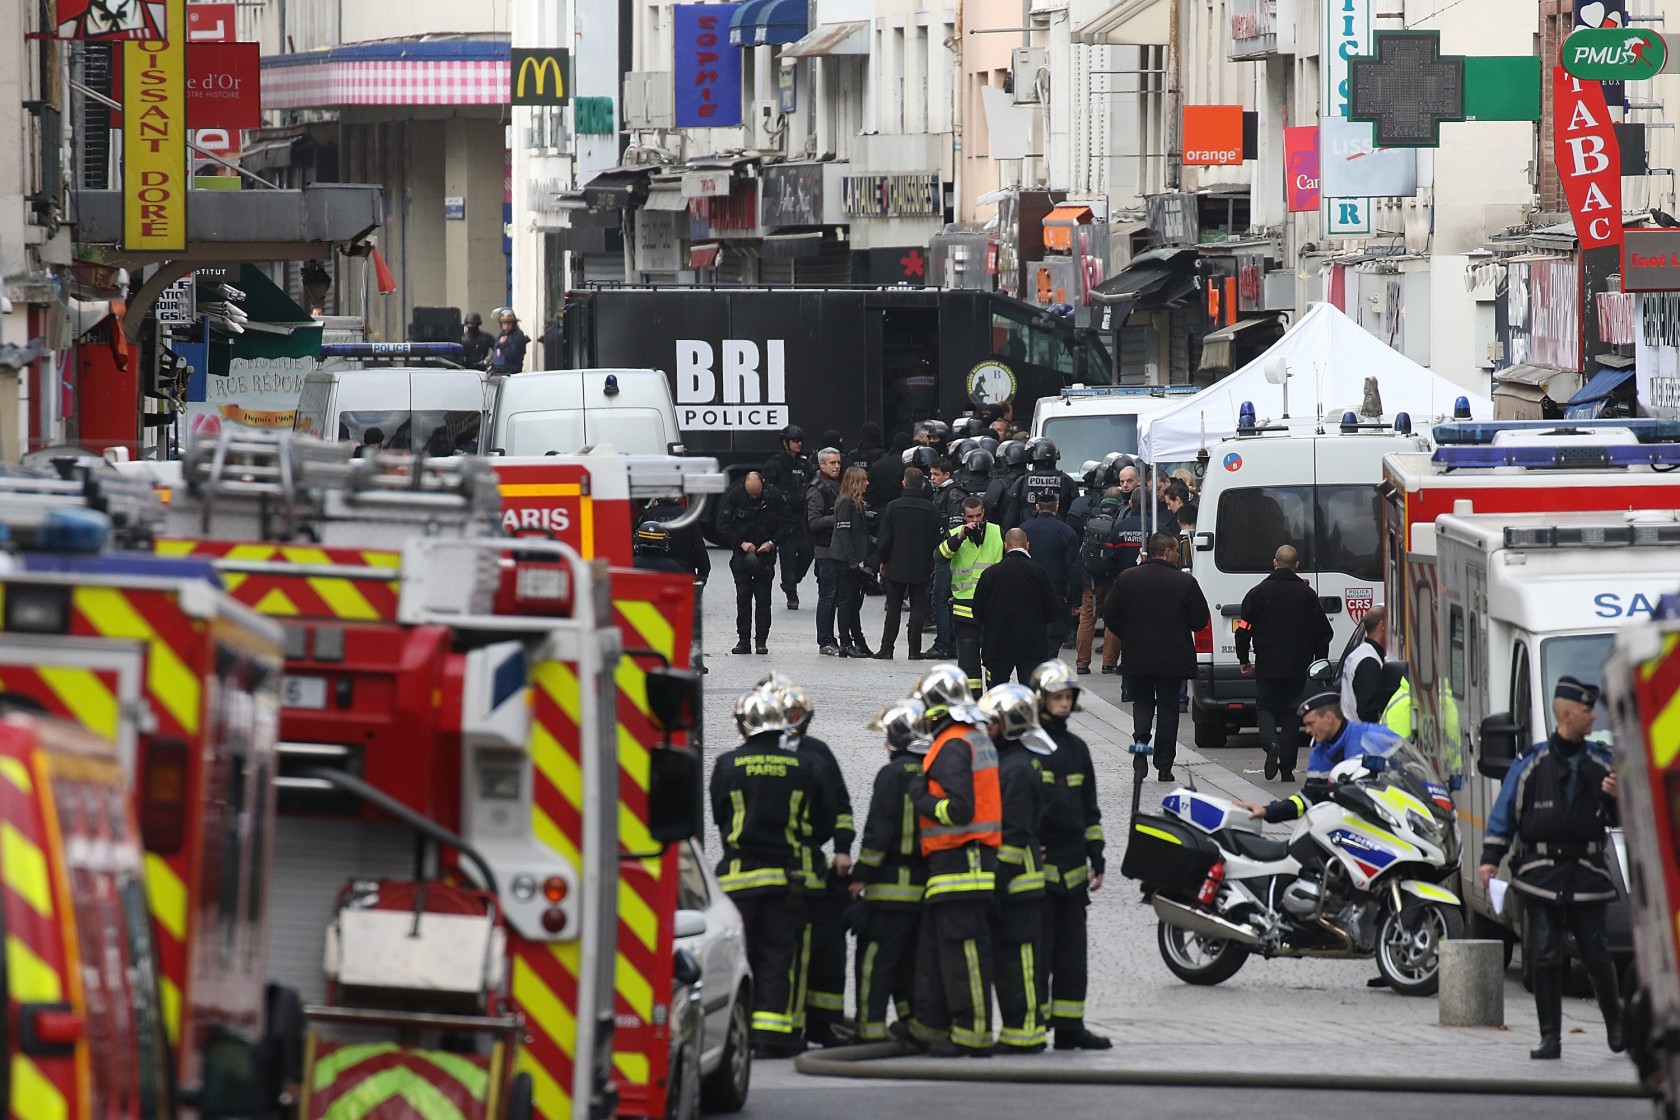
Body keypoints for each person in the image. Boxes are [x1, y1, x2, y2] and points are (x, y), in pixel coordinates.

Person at [1478, 677, 1622, 1061]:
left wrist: (1614, 799)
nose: (1593, 717)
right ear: (1566, 714)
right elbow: (1506, 811)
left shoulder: (1603, 763)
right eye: (1587, 711)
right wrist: (1491, 858)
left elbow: (1621, 817)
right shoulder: (1532, 762)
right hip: (1540, 872)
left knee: (1596, 953)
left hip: (1587, 871)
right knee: (1543, 955)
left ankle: (1617, 1027)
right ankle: (1549, 1038)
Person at [709, 689, 836, 1058]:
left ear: (743, 724)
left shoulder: (726, 764)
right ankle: (773, 1036)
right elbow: (824, 822)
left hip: (737, 875)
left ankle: (741, 1031)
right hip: (787, 878)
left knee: (741, 955)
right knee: (781, 954)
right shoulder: (804, 766)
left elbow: (719, 815)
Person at [905, 665, 1000, 1057]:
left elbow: (959, 809)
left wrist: (921, 798)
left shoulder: (952, 746)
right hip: (960, 864)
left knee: (964, 954)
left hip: (962, 863)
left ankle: (972, 1033)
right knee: (938, 949)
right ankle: (930, 1026)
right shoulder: (970, 738)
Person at [766, 680, 856, 1049]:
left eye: (796, 715)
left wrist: (843, 849)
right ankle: (785, 1025)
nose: (791, 721)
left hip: (813, 866)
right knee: (785, 951)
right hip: (776, 867)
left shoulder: (818, 753)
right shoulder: (762, 754)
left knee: (825, 947)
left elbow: (840, 804)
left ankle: (823, 1023)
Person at [1029, 660, 1110, 1051]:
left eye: (1067, 698)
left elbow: (1089, 809)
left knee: (1072, 959)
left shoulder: (1077, 749)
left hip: (1074, 868)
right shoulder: (1027, 747)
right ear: (1041, 700)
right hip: (1038, 871)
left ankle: (1069, 1027)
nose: (1063, 704)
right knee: (1038, 957)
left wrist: (1097, 855)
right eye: (1056, 698)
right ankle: (1030, 1027)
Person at [978, 683, 1054, 1053]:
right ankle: (1017, 1029)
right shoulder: (1007, 762)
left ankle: (1026, 1033)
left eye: (992, 722)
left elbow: (1015, 832)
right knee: (1008, 961)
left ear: (1010, 723)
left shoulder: (1017, 771)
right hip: (1011, 881)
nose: (986, 728)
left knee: (1021, 961)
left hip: (1018, 884)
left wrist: (997, 879)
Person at [851, 700, 931, 1042]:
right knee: (911, 961)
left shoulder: (892, 774)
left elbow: (878, 831)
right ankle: (914, 1025)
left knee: (875, 960)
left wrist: (860, 876)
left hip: (889, 887)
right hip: (926, 885)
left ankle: (869, 1029)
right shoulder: (935, 770)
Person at [1103, 532, 1210, 782]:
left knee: (1141, 701)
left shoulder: (1127, 578)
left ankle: (1141, 740)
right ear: (1167, 552)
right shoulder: (1184, 583)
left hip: (1137, 655)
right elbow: (1199, 620)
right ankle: (1164, 766)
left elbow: (1111, 616)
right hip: (1173, 658)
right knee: (1168, 708)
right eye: (1176, 551)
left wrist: (1128, 635)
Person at [1236, 545, 1334, 782]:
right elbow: (1324, 633)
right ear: (1296, 565)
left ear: (1274, 563)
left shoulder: (1257, 593)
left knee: (1266, 707)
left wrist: (1244, 659)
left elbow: (1243, 630)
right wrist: (1318, 664)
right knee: (1292, 714)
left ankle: (1270, 744)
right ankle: (1287, 769)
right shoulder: (1307, 595)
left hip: (1268, 664)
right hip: (1298, 667)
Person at [1235, 691, 1405, 827]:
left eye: (1311, 723)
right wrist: (1268, 811)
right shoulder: (1319, 754)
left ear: (1329, 718)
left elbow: (1410, 770)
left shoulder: (1372, 736)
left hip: (1390, 819)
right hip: (1350, 826)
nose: (1308, 730)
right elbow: (1309, 798)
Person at [972, 528, 1062, 687]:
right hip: (1031, 643)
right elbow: (1053, 610)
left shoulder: (991, 573)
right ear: (1027, 546)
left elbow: (977, 610)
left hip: (998, 641)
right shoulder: (1038, 572)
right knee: (1029, 692)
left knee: (997, 691)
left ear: (1006, 546)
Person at [938, 496, 1005, 696]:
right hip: (964, 609)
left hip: (992, 609)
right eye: (970, 517)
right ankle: (973, 701)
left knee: (994, 659)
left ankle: (994, 697)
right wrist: (959, 537)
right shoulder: (955, 534)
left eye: (978, 515)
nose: (975, 520)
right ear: (963, 516)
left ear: (984, 512)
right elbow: (939, 557)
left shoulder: (997, 532)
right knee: (968, 664)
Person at [716, 472, 785, 655]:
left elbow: (787, 523)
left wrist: (771, 543)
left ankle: (761, 641)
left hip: (764, 556)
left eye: (756, 494)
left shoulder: (774, 497)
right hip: (742, 554)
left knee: (763, 600)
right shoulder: (736, 495)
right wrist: (741, 543)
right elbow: (722, 525)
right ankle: (743, 640)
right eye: (750, 494)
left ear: (762, 485)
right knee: (743, 599)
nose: (753, 497)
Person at [875, 467, 940, 660]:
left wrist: (883, 560)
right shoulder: (931, 509)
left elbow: (885, 539)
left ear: (904, 484)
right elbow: (935, 539)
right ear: (922, 485)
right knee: (918, 608)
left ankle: (887, 648)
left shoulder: (893, 507)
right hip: (921, 564)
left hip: (896, 563)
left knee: (893, 607)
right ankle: (914, 650)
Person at [1019, 496, 1081, 658]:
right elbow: (1073, 569)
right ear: (1057, 507)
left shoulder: (1024, 530)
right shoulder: (1067, 532)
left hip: (1028, 592)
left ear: (1037, 507)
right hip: (1056, 593)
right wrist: (1076, 601)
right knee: (1053, 638)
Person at [762, 425, 814, 610]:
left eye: (800, 441)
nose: (798, 444)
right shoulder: (774, 464)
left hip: (801, 514)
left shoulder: (805, 464)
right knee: (788, 554)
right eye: (794, 441)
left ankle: (793, 580)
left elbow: (811, 482)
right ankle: (791, 591)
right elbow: (767, 488)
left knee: (808, 552)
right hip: (783, 516)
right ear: (785, 442)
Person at [831, 465, 874, 658]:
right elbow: (843, 532)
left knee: (853, 601)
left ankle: (858, 641)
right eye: (863, 480)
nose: (867, 483)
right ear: (856, 482)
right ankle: (845, 642)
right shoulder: (846, 502)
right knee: (847, 602)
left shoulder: (854, 502)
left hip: (853, 558)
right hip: (846, 560)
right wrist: (852, 559)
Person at [806, 447, 844, 656]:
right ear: (822, 464)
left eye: (838, 462)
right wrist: (839, 519)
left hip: (836, 549)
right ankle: (825, 640)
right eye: (832, 463)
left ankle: (832, 638)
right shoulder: (817, 488)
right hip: (825, 550)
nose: (837, 466)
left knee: (834, 596)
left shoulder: (835, 484)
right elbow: (814, 522)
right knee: (827, 596)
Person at [926, 457, 965, 659]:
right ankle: (948, 643)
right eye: (931, 474)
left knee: (940, 599)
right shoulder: (943, 492)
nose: (932, 478)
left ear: (947, 475)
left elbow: (955, 528)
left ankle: (944, 644)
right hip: (943, 552)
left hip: (948, 554)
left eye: (936, 475)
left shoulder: (954, 495)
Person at [640, 496, 712, 585]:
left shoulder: (648, 516)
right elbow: (699, 547)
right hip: (684, 570)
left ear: (656, 499)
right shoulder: (687, 516)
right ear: (675, 498)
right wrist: (703, 573)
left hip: (654, 570)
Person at [1341, 606, 1389, 723]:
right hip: (1362, 734)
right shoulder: (1368, 660)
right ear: (1382, 625)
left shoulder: (1359, 654)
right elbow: (1368, 711)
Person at [489, 308, 529, 373]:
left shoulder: (517, 335)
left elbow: (513, 354)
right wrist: (492, 358)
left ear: (513, 324)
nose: (506, 326)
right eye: (504, 323)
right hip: (498, 371)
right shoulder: (502, 334)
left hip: (511, 372)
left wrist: (502, 345)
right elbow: (496, 350)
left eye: (509, 323)